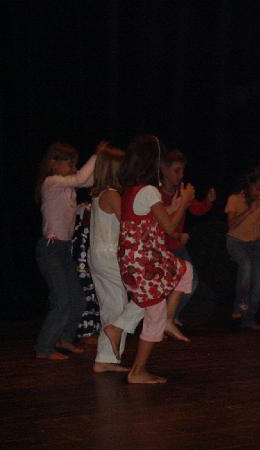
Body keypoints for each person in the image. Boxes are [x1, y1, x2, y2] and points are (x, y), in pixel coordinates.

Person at [104, 135, 194, 384]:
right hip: (143, 261)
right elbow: (169, 227)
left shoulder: (132, 190)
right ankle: (138, 371)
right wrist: (184, 202)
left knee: (184, 270)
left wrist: (176, 205)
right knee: (155, 310)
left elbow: (154, 223)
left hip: (141, 259)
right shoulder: (148, 191)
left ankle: (123, 327)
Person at [34, 141, 99, 360]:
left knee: (77, 299)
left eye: (74, 163)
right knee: (62, 300)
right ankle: (44, 348)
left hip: (63, 249)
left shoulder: (67, 185)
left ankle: (64, 338)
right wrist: (97, 155)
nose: (73, 168)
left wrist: (98, 162)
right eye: (69, 163)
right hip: (50, 248)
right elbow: (82, 178)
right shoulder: (50, 182)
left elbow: (86, 179)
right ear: (53, 163)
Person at [87, 144, 132, 373]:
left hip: (98, 254)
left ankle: (106, 358)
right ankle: (108, 356)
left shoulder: (100, 193)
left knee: (111, 305)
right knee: (120, 304)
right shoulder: (112, 194)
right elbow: (128, 224)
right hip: (108, 254)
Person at [160, 149, 216, 324]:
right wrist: (177, 234)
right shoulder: (154, 193)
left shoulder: (182, 191)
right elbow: (158, 224)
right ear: (164, 169)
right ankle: (162, 320)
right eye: (177, 170)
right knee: (161, 287)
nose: (181, 175)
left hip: (178, 247)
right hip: (160, 248)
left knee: (192, 281)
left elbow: (197, 209)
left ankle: (171, 316)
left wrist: (208, 201)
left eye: (183, 170)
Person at [225, 165, 260, 330]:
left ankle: (249, 319)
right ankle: (239, 306)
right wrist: (249, 209)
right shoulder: (235, 198)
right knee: (245, 265)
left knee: (259, 282)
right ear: (249, 184)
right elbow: (231, 225)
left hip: (255, 244)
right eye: (257, 188)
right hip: (236, 241)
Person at [73, 202, 100, 345]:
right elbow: (78, 250)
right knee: (86, 296)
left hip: (88, 263)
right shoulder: (80, 231)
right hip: (81, 264)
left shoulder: (88, 230)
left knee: (93, 296)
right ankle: (85, 332)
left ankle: (93, 329)